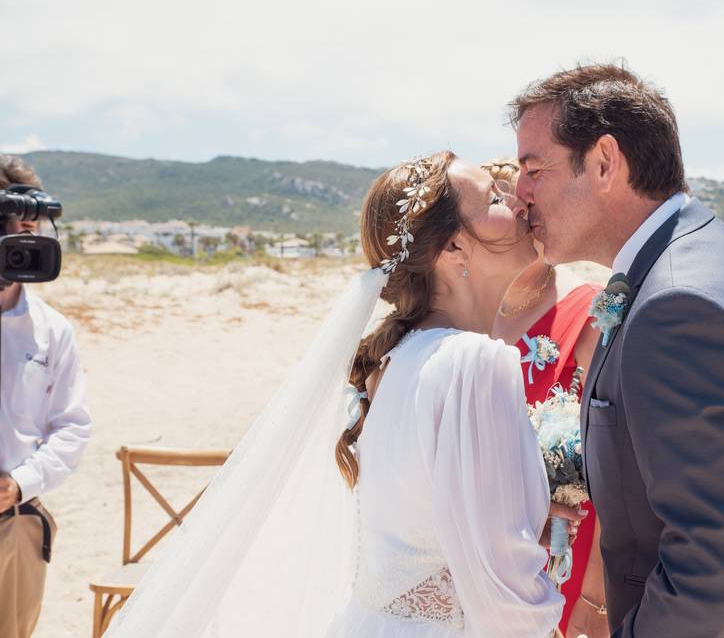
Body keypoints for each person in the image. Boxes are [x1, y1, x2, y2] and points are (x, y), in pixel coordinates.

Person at [106, 152, 566, 638]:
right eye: (494, 198)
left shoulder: (394, 363)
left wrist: (526, 528)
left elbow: (430, 530)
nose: (517, 202)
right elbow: (504, 601)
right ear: (453, 247)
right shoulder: (472, 363)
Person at [510, 63, 724, 637]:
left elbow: (709, 567)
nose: (520, 194)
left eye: (533, 168)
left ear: (603, 162)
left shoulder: (677, 306)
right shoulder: (695, 250)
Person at [486, 158, 607, 638]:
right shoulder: (460, 322)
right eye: (510, 211)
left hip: (569, 560)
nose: (526, 221)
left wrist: (596, 600)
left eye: (531, 208)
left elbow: (620, 476)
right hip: (487, 563)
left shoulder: (593, 310)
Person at [0, 155, 92, 638]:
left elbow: (73, 425)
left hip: (16, 524)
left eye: (32, 224)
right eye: (14, 222)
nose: (24, 236)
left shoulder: (52, 330)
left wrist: (21, 482)